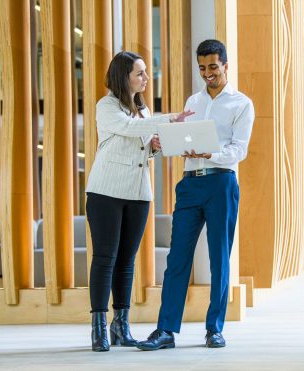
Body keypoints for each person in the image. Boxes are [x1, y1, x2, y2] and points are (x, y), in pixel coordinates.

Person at [137, 39, 255, 351]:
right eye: (202, 68)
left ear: (226, 66)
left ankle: (214, 329)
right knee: (177, 258)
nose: (208, 73)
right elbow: (183, 138)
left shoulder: (241, 103)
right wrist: (173, 144)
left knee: (219, 259)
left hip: (221, 184)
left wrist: (210, 152)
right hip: (189, 184)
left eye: (213, 67)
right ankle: (165, 331)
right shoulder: (193, 100)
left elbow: (238, 151)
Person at [85, 51, 191, 352]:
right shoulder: (106, 106)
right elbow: (129, 129)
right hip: (106, 191)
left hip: (139, 194)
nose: (146, 77)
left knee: (127, 262)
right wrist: (170, 118)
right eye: (140, 73)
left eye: (145, 72)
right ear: (124, 76)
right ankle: (98, 328)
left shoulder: (144, 112)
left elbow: (142, 147)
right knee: (105, 258)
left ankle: (121, 324)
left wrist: (155, 147)